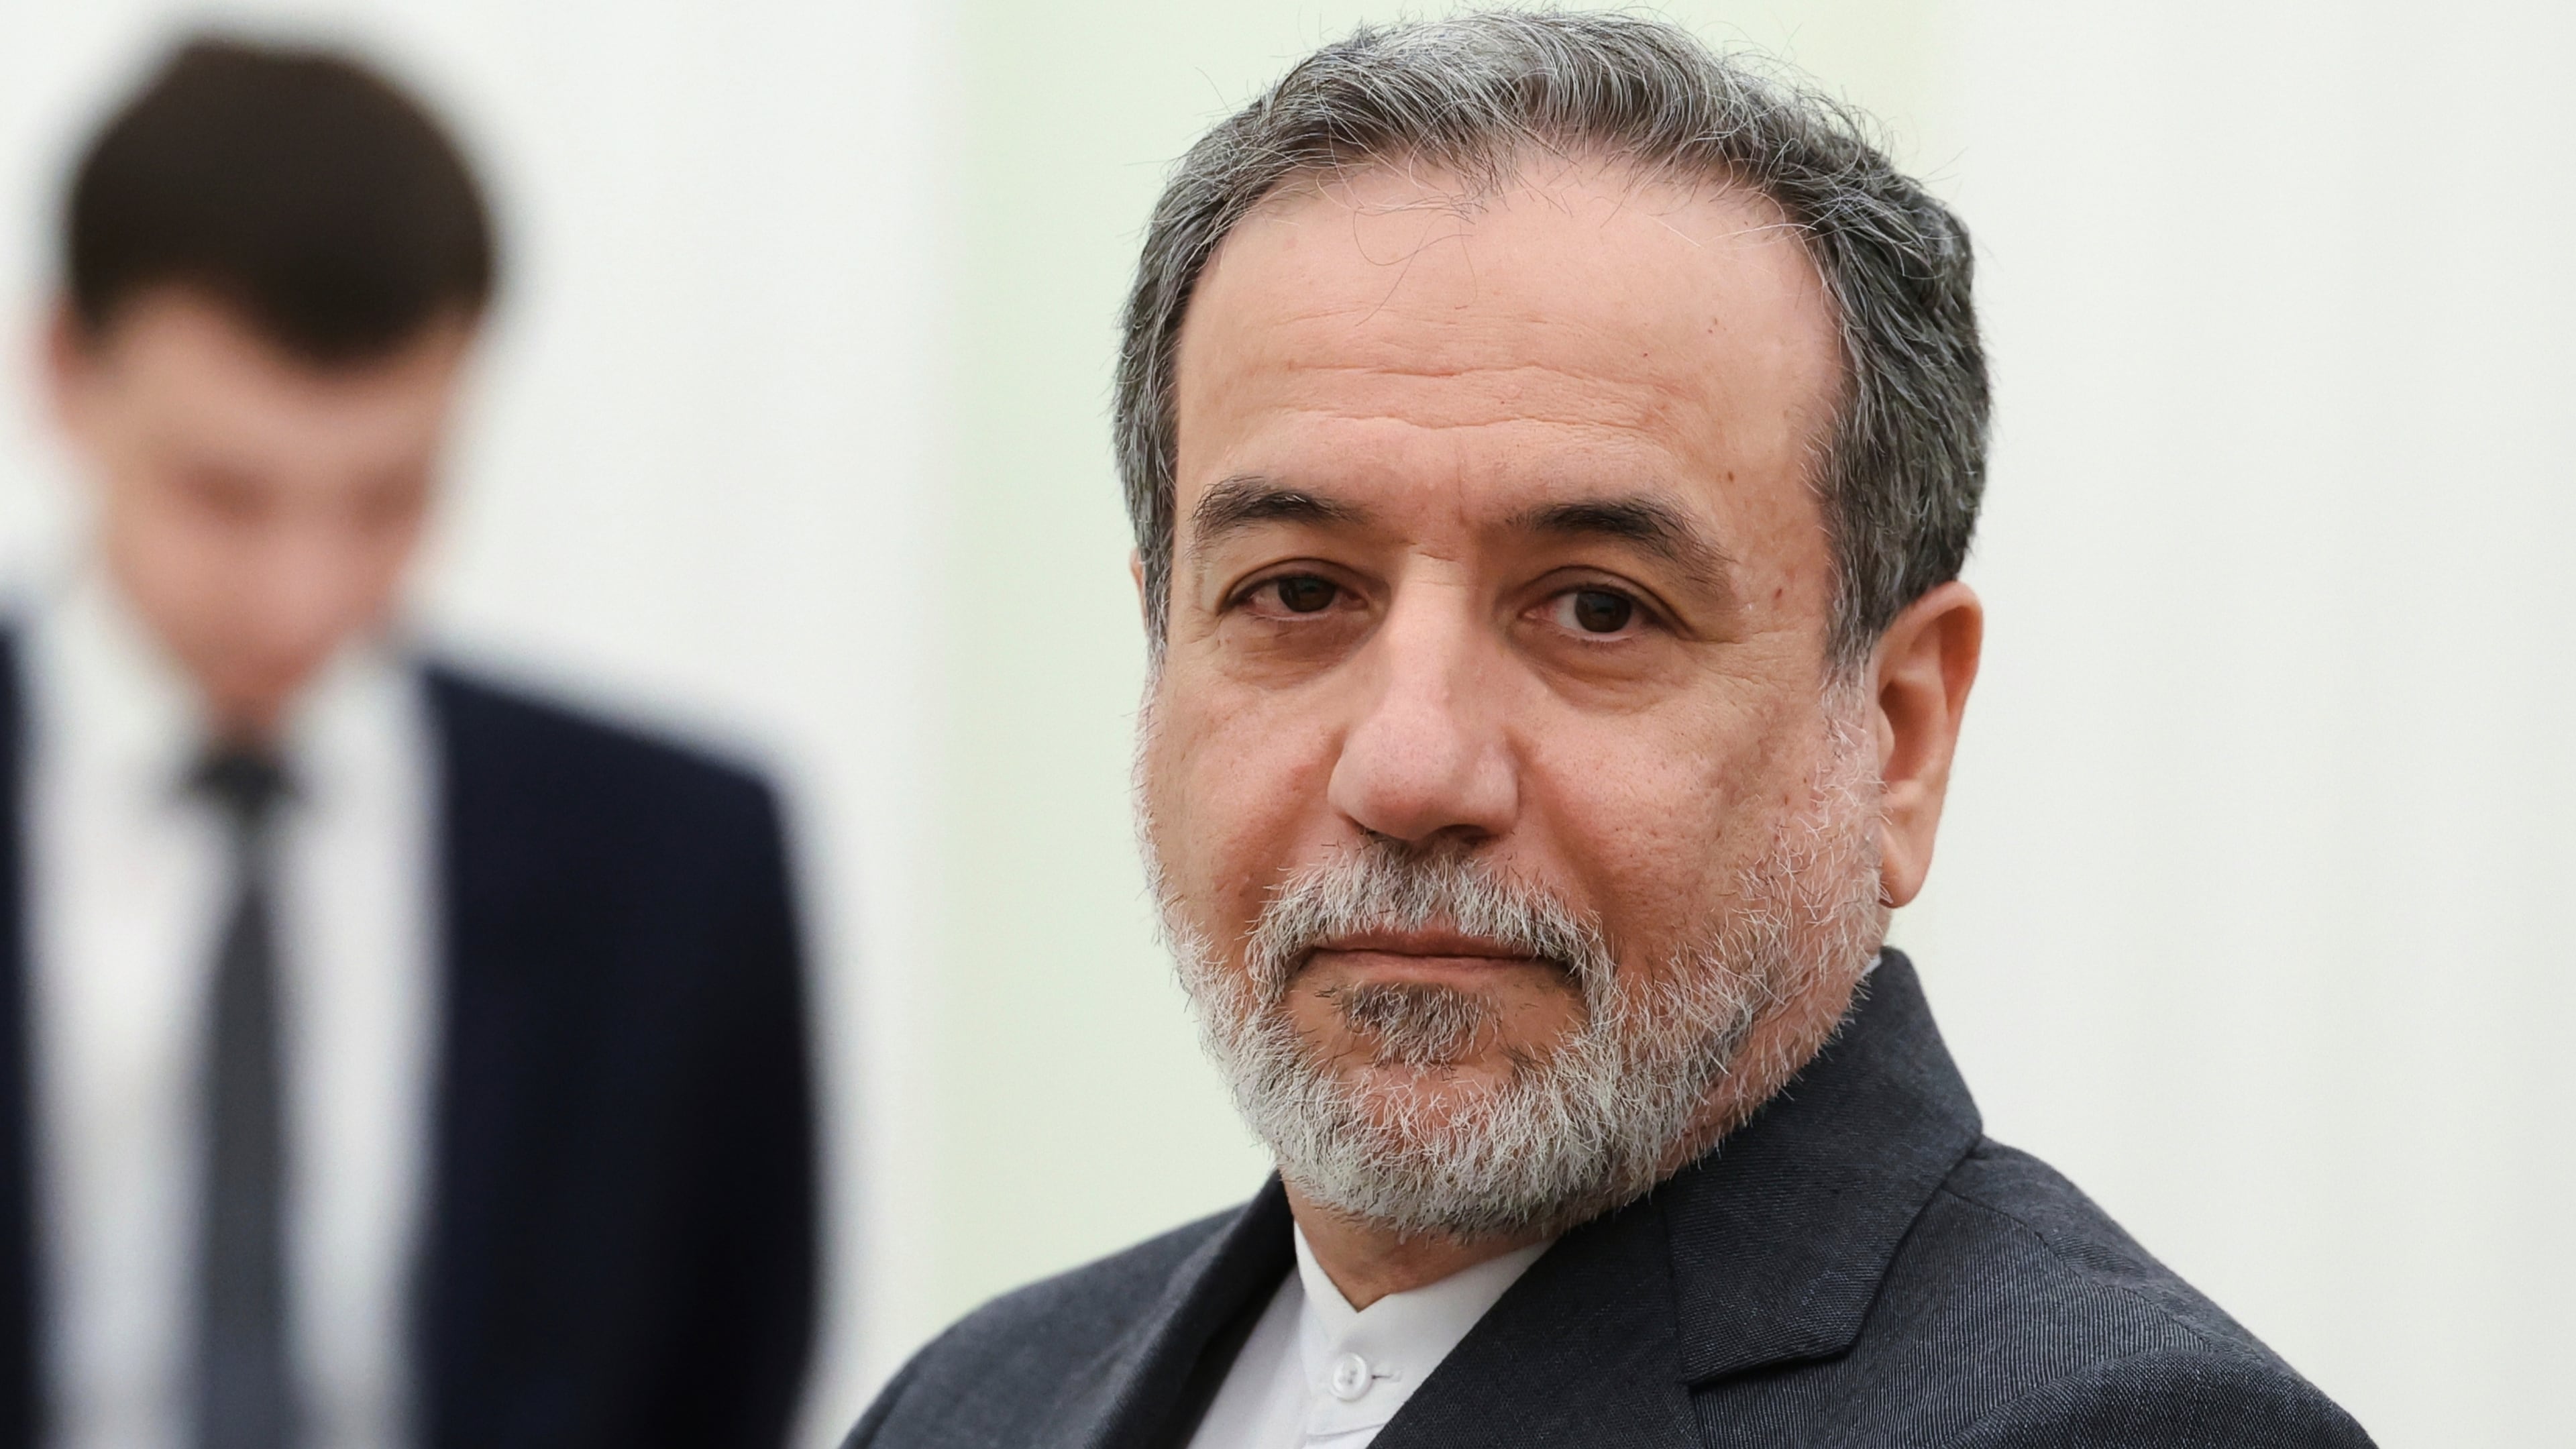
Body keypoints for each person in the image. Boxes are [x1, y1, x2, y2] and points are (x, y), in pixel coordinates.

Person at [851, 13, 2369, 1448]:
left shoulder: (2115, 1427)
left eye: (1598, 611)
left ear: (1899, 737)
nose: (1411, 768)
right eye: (1297, 591)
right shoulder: (981, 1399)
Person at [5, 37, 817, 1449]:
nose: (303, 596)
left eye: (388, 497)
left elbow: (728, 1380)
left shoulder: (676, 868)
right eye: (224, 494)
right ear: (67, 369)